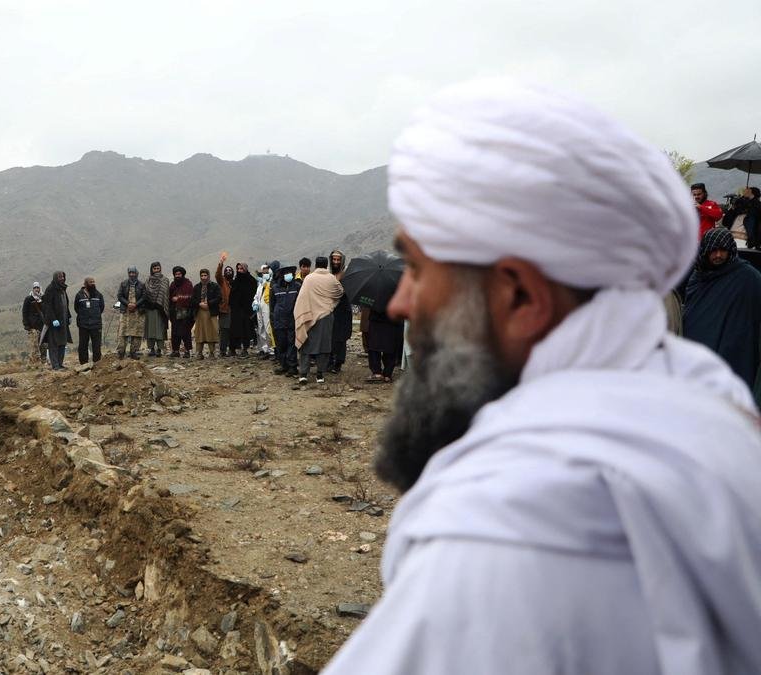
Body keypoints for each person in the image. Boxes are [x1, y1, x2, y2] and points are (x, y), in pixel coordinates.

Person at [322, 79, 761, 674]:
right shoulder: (705, 397)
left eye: (419, 270)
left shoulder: (502, 539)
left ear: (522, 296)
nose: (400, 304)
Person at [682, 227, 761, 391]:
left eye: (723, 250)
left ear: (730, 250)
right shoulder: (698, 277)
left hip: (733, 353)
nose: (718, 255)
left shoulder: (748, 277)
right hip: (699, 354)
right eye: (713, 250)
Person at [293, 256, 342, 384]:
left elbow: (302, 297)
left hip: (309, 316)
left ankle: (303, 374)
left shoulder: (309, 278)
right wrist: (331, 303)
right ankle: (320, 374)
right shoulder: (331, 278)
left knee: (306, 344)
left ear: (315, 265)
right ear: (326, 265)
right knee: (323, 345)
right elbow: (339, 292)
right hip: (326, 316)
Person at [269, 264, 301, 375]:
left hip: (292, 320)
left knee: (291, 344)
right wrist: (273, 320)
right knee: (281, 344)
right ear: (281, 275)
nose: (289, 275)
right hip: (279, 321)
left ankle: (292, 367)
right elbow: (272, 306)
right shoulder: (275, 288)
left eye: (290, 273)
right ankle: (284, 365)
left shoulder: (297, 287)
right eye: (286, 273)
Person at [39, 271, 71, 371]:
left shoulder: (62, 289)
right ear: (55, 278)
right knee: (54, 344)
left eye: (63, 276)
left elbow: (66, 304)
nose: (62, 278)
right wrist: (53, 319)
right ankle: (55, 365)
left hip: (63, 321)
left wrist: (69, 316)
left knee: (62, 343)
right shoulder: (51, 289)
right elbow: (48, 306)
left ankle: (60, 364)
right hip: (54, 323)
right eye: (60, 277)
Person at [327, 250, 352, 373]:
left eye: (338, 260)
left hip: (343, 309)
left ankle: (338, 363)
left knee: (341, 337)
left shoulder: (347, 273)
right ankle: (329, 361)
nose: (336, 262)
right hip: (330, 309)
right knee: (330, 336)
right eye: (334, 259)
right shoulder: (328, 273)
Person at [228, 261, 257, 356]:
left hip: (246, 309)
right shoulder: (236, 280)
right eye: (238, 269)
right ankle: (232, 349)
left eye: (241, 269)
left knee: (245, 329)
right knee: (234, 329)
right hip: (236, 309)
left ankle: (245, 348)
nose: (239, 271)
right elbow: (232, 295)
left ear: (245, 269)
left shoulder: (251, 280)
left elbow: (253, 295)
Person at [73, 276, 105, 365]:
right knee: (83, 345)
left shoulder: (98, 295)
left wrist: (95, 315)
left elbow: (101, 308)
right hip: (83, 325)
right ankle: (84, 364)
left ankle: (97, 363)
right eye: (91, 282)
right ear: (85, 284)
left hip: (96, 324)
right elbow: (76, 308)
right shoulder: (79, 295)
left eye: (94, 282)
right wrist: (84, 316)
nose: (93, 283)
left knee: (96, 345)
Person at [365, 308, 403, 382]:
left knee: (374, 346)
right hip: (394, 317)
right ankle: (387, 374)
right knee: (391, 346)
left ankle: (377, 373)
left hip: (378, 317)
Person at [191, 268, 222, 359]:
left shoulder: (215, 286)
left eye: (205, 275)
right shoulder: (197, 287)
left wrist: (209, 304)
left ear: (208, 276)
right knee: (199, 332)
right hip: (200, 312)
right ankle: (199, 353)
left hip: (211, 312)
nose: (203, 277)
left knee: (211, 332)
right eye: (202, 275)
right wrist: (199, 304)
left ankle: (212, 353)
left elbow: (219, 297)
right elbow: (192, 299)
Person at [116, 267, 146, 359]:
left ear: (137, 273)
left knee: (137, 332)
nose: (132, 274)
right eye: (130, 273)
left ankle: (133, 352)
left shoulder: (141, 285)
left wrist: (135, 304)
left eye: (133, 273)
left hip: (138, 311)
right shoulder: (123, 283)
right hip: (126, 311)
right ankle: (121, 352)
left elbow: (144, 296)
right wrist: (128, 304)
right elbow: (119, 296)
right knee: (123, 331)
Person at [142, 262, 170, 356]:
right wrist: (150, 303)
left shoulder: (165, 280)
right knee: (150, 329)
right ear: (151, 269)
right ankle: (151, 349)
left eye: (158, 268)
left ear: (160, 269)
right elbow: (145, 293)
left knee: (160, 329)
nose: (156, 270)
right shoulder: (148, 280)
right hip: (149, 308)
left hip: (160, 309)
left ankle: (159, 349)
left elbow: (165, 294)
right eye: (154, 269)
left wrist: (159, 304)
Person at [168, 266, 195, 357]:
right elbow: (169, 297)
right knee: (175, 332)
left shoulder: (188, 284)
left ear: (182, 274)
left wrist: (179, 299)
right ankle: (175, 351)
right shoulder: (172, 284)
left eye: (179, 274)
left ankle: (187, 351)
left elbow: (190, 297)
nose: (177, 276)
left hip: (185, 312)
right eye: (176, 274)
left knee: (185, 332)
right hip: (174, 311)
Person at [252, 262, 275, 359]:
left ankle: (272, 350)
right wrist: (255, 303)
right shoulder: (261, 284)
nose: (264, 273)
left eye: (266, 271)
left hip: (267, 308)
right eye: (263, 272)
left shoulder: (272, 284)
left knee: (268, 327)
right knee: (261, 328)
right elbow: (256, 296)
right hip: (260, 309)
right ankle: (265, 349)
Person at [21, 281, 46, 364]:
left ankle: (43, 360)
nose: (36, 289)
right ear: (32, 289)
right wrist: (26, 324)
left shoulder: (43, 298)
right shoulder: (28, 299)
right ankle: (35, 362)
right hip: (32, 325)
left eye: (37, 287)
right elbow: (24, 312)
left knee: (43, 343)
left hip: (42, 325)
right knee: (34, 344)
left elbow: (46, 310)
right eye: (35, 288)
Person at [214, 253, 234, 356]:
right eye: (227, 270)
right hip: (224, 309)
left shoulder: (235, 282)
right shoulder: (222, 281)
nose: (228, 272)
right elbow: (217, 275)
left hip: (234, 310)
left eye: (230, 270)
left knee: (233, 330)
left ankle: (232, 349)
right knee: (224, 330)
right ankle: (222, 350)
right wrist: (221, 264)